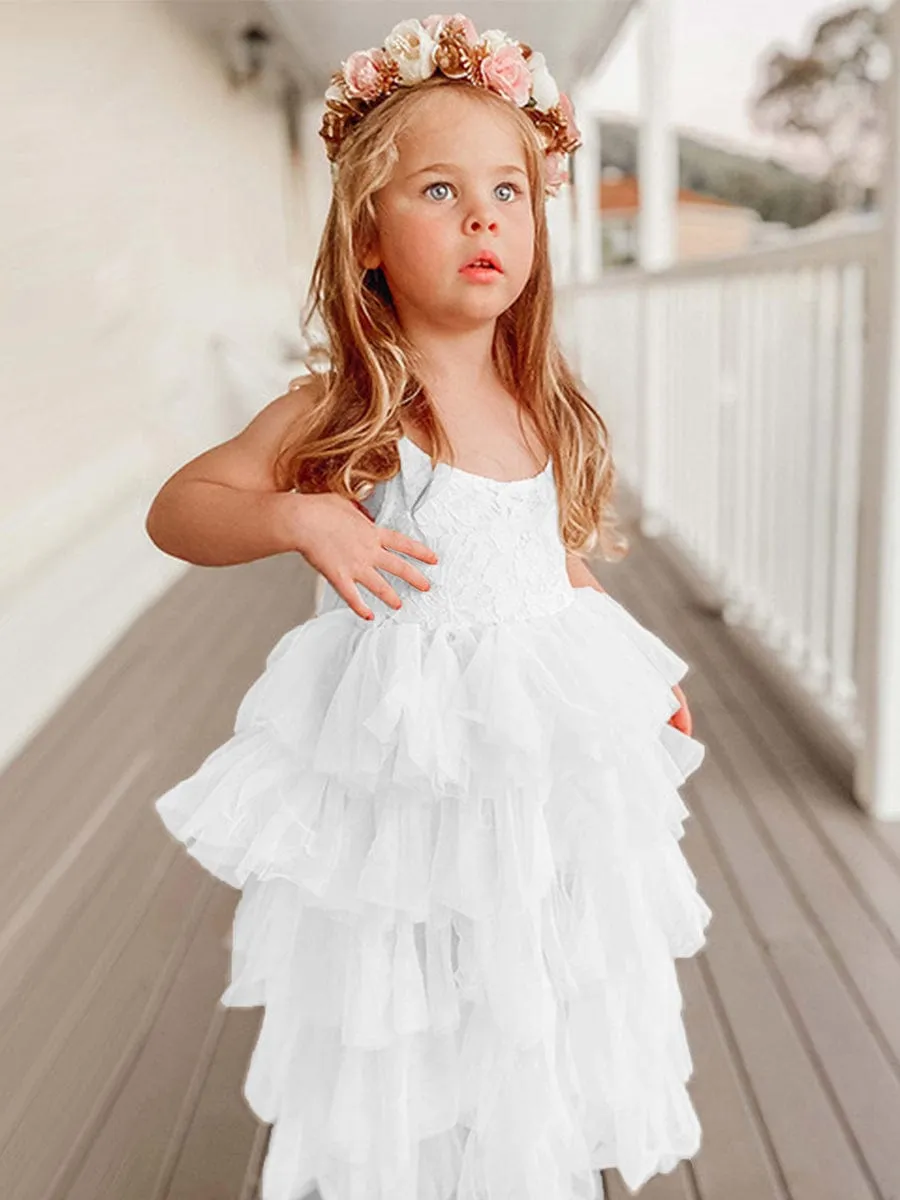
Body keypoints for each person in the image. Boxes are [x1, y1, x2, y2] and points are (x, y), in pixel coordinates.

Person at [147, 13, 713, 1200]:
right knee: (421, 981)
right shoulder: (350, 406)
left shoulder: (536, 401)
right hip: (412, 768)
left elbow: (554, 568)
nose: (484, 218)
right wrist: (298, 516)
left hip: (536, 758)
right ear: (368, 234)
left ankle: (524, 1155)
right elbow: (182, 507)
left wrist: (638, 684)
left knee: (537, 971)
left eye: (508, 191)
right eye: (443, 189)